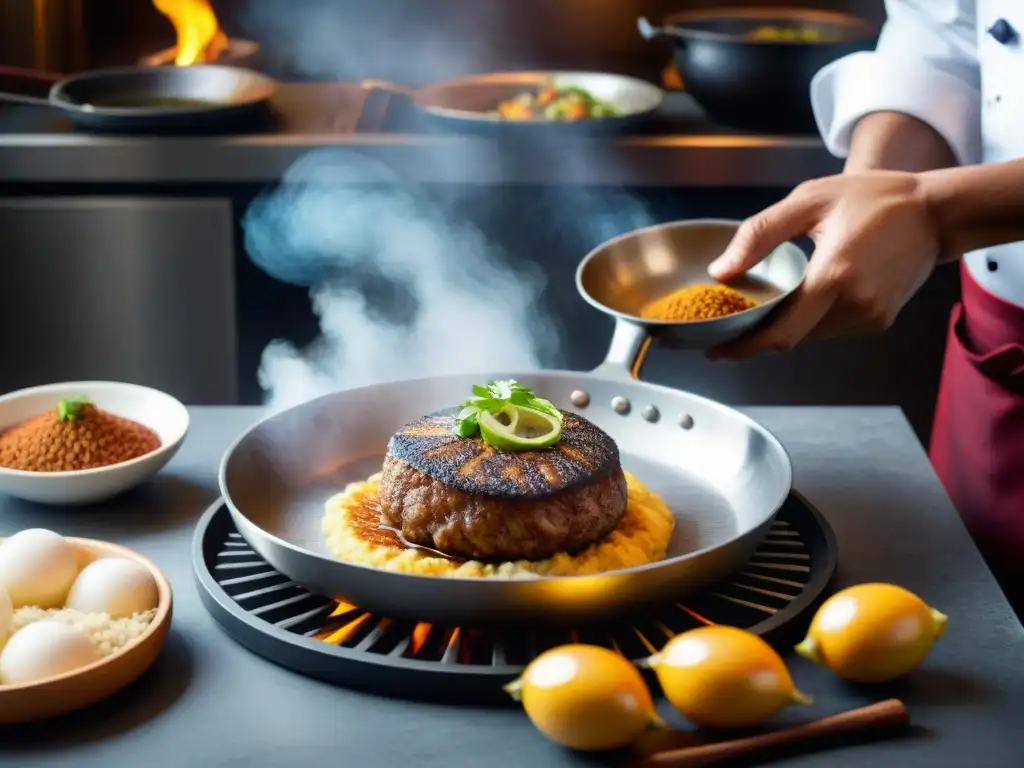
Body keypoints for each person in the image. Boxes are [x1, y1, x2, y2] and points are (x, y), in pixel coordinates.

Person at [705, 1, 1024, 610]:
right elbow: (944, 31)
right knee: (975, 630)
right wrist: (877, 184)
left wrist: (934, 212)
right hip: (999, 348)